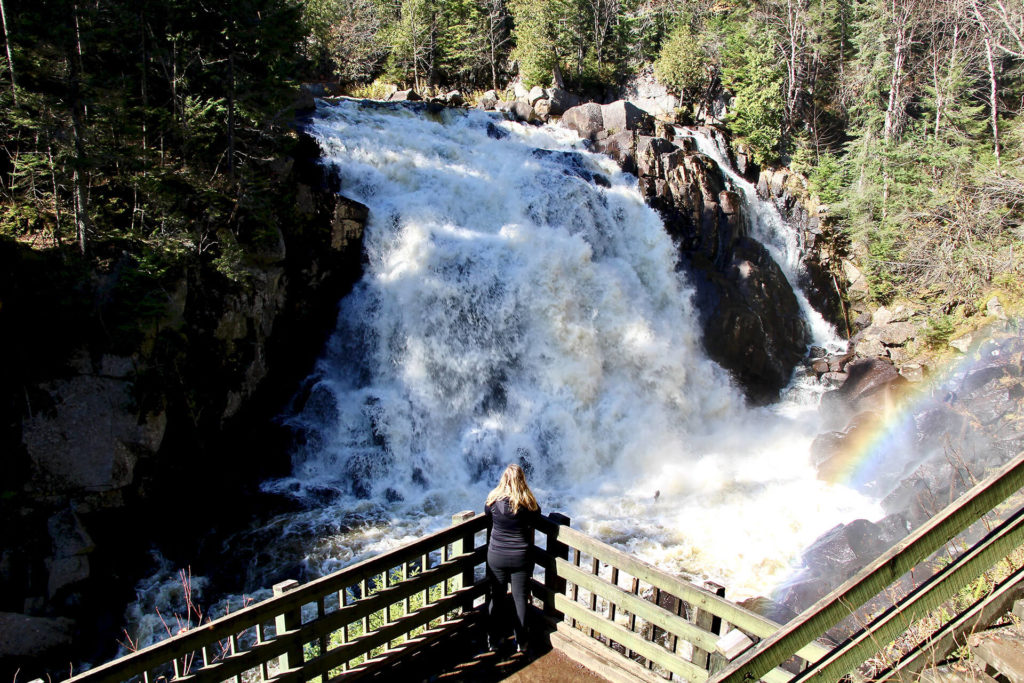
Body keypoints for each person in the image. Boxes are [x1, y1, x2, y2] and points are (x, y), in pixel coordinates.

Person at [484, 463, 541, 654]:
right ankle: (522, 642)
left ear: (503, 480)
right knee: (519, 600)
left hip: (497, 556)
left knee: (497, 598)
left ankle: (493, 640)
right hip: (520, 558)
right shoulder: (527, 503)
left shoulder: (492, 501)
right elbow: (537, 516)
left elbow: (487, 516)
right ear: (521, 481)